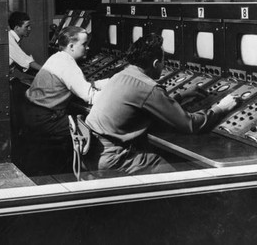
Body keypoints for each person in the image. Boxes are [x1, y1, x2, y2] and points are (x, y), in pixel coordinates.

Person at [85, 33, 241, 175]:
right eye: (163, 62)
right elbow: (190, 124)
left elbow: (147, 104)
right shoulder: (148, 87)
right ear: (155, 63)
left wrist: (180, 96)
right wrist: (221, 107)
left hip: (91, 152)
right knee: (175, 173)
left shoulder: (121, 75)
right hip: (113, 159)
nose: (164, 66)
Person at [23, 26, 109, 174]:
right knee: (93, 132)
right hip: (47, 120)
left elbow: (81, 85)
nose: (87, 48)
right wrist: (118, 90)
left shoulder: (58, 57)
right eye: (84, 44)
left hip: (33, 115)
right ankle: (83, 176)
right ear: (71, 46)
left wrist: (108, 82)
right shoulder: (68, 64)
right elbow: (90, 96)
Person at [8, 11, 41, 76]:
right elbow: (27, 61)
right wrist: (46, 70)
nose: (29, 28)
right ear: (17, 28)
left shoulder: (14, 39)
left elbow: (20, 65)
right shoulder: (9, 39)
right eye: (27, 26)